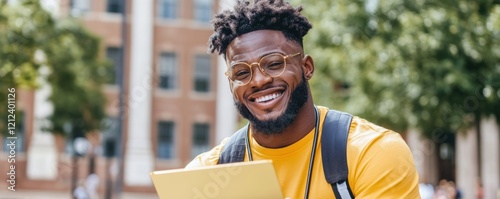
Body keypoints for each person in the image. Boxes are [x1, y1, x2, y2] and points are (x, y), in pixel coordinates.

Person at [187, 0, 420, 198]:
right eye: (241, 73)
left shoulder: (372, 153)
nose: (258, 81)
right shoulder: (208, 173)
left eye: (274, 63)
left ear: (306, 67)